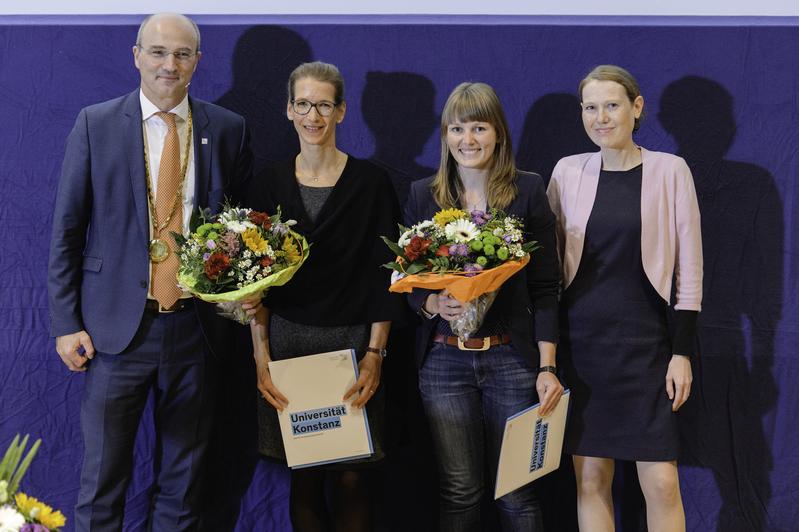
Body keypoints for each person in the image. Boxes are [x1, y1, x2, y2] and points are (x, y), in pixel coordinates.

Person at [47, 13, 251, 530]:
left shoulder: (227, 129)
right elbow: (67, 231)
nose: (169, 64)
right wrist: (66, 322)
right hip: (115, 331)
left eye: (182, 54)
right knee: (101, 488)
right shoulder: (95, 124)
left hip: (197, 332)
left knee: (183, 490)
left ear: (198, 62)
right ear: (136, 55)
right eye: (158, 52)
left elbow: (241, 229)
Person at [245, 61, 403, 532]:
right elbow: (257, 282)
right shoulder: (268, 184)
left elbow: (388, 277)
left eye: (324, 105)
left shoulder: (372, 183)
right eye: (303, 104)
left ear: (341, 112)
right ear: (288, 109)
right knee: (306, 479)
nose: (313, 115)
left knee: (355, 479)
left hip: (355, 348)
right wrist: (260, 358)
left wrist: (376, 354)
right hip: (288, 348)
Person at [546, 65, 703, 532]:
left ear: (637, 108)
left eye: (612, 105)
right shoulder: (567, 172)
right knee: (591, 477)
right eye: (590, 108)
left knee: (662, 484)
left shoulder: (670, 170)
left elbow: (689, 272)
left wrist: (680, 353)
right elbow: (549, 271)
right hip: (583, 347)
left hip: (649, 348)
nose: (601, 117)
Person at [403, 82, 564, 532]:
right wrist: (431, 301)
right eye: (457, 128)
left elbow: (546, 287)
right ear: (445, 135)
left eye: (479, 127)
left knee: (517, 492)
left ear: (499, 135)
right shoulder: (423, 194)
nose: (467, 140)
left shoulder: (527, 191)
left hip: (511, 360)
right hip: (442, 362)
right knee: (460, 493)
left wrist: (547, 368)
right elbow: (404, 278)